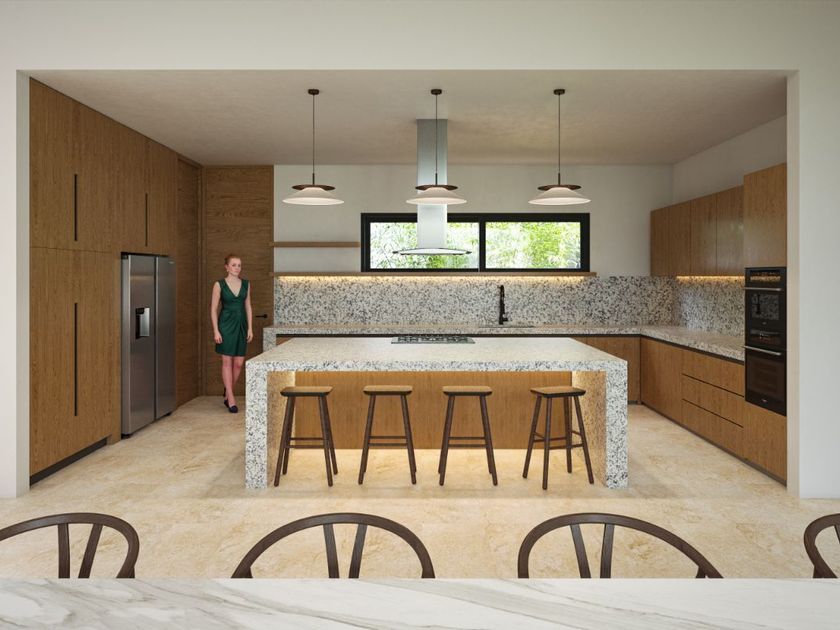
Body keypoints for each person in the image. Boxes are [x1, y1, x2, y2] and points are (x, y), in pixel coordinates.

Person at [210, 254, 253, 413]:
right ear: (226, 267)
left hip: (241, 324)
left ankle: (228, 391)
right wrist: (216, 330)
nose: (237, 268)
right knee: (227, 361)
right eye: (234, 265)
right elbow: (213, 309)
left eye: (239, 265)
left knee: (239, 363)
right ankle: (231, 398)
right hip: (225, 325)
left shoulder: (246, 284)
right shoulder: (219, 284)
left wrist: (250, 328)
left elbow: (248, 306)